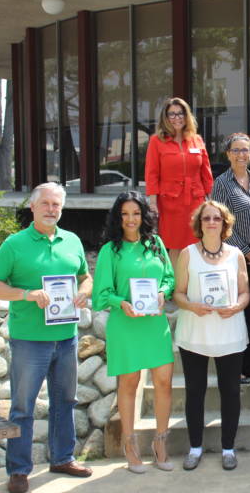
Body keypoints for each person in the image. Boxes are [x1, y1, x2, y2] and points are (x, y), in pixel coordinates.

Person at [0, 183, 93, 493]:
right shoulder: (15, 244)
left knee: (65, 401)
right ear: (32, 207)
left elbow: (85, 277)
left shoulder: (71, 241)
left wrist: (84, 293)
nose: (51, 209)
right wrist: (26, 294)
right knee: (22, 407)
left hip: (66, 337)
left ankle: (62, 458)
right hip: (30, 339)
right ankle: (18, 470)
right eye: (45, 203)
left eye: (56, 204)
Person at [92, 191, 175, 474]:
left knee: (164, 381)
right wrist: (122, 303)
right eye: (125, 214)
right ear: (118, 217)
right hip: (126, 324)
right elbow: (101, 295)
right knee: (129, 384)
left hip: (154, 324)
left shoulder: (155, 243)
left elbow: (169, 277)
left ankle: (160, 443)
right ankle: (130, 445)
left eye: (136, 213)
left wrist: (164, 293)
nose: (131, 219)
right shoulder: (109, 251)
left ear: (144, 216)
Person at [173, 201, 250, 471]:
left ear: (224, 223)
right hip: (195, 331)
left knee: (230, 392)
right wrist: (192, 305)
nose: (212, 222)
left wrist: (237, 306)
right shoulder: (187, 254)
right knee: (195, 391)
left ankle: (228, 448)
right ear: (199, 223)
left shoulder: (236, 254)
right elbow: (178, 293)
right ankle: (195, 447)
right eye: (206, 218)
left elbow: (245, 292)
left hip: (229, 331)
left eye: (217, 218)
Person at [211, 132, 250, 384]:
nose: (241, 155)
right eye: (236, 150)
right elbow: (219, 223)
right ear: (228, 154)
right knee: (237, 314)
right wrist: (246, 251)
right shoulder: (222, 184)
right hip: (235, 254)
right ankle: (233, 367)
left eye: (245, 150)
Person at [145, 97, 213, 269]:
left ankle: (196, 284)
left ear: (187, 115)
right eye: (172, 114)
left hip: (196, 201)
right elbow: (152, 173)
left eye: (180, 113)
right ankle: (177, 288)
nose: (176, 118)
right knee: (175, 246)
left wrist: (211, 200)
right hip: (170, 203)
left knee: (198, 243)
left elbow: (206, 171)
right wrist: (153, 202)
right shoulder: (156, 141)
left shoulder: (196, 139)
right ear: (165, 117)